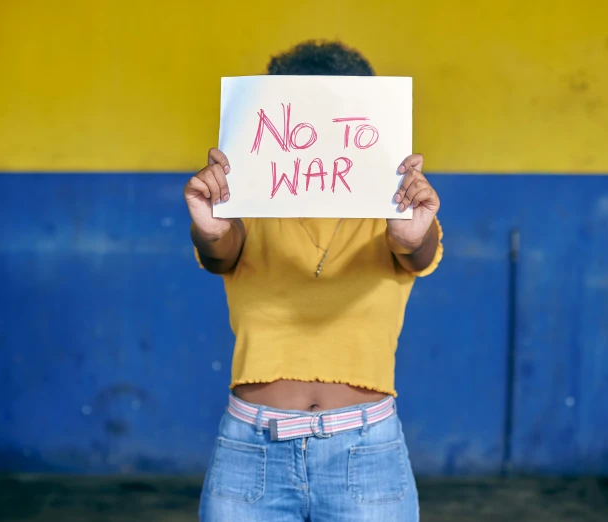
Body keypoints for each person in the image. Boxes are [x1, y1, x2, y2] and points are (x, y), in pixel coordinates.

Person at [185, 40, 443, 522]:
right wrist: (210, 224)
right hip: (250, 449)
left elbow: (417, 252)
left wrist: (413, 233)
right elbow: (221, 250)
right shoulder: (250, 204)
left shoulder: (396, 210)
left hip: (368, 453)